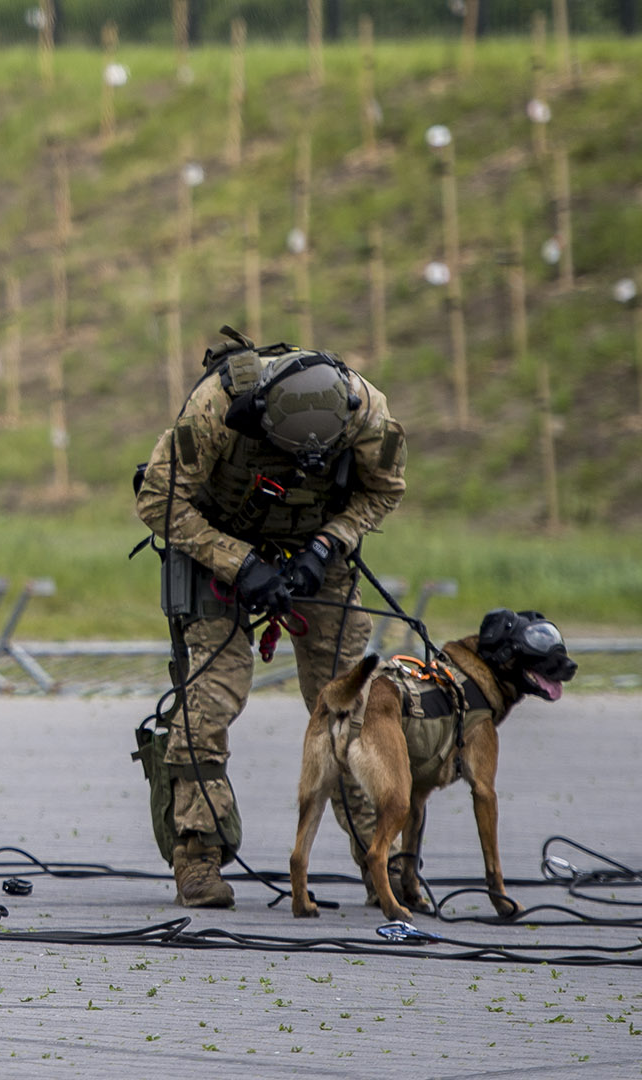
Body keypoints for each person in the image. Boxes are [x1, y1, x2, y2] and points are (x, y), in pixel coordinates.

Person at [134, 328, 407, 908]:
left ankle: (380, 860)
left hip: (316, 554)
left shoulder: (367, 411)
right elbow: (157, 499)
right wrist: (238, 563)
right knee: (210, 697)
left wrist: (327, 545)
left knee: (351, 705)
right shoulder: (214, 407)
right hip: (214, 547)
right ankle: (198, 855)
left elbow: (385, 489)